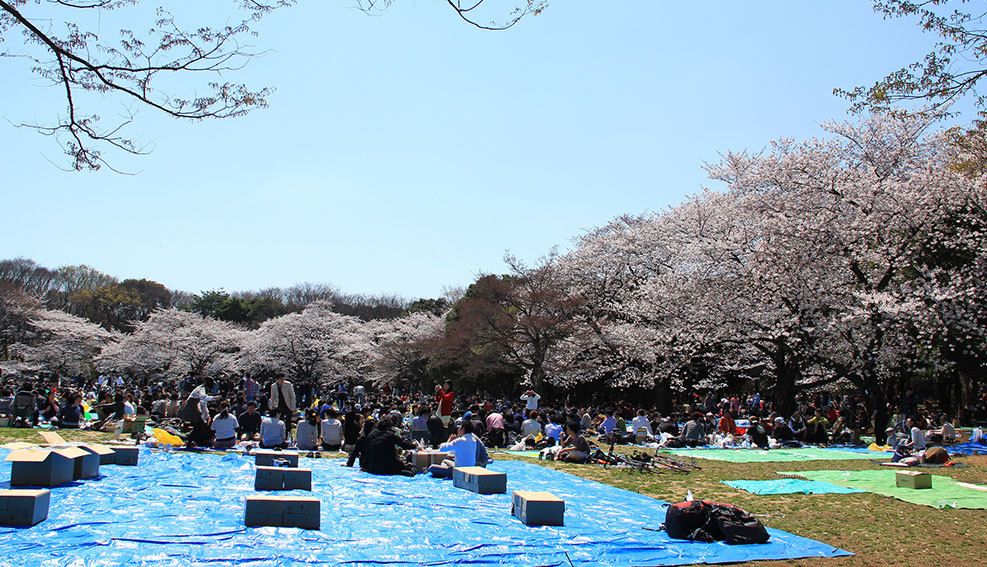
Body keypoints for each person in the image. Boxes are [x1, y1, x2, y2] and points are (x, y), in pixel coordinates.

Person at [349, 417, 417, 476]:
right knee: (412, 469)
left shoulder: (371, 435)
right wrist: (415, 445)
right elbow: (405, 445)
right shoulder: (391, 435)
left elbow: (366, 452)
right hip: (388, 466)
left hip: (372, 467)